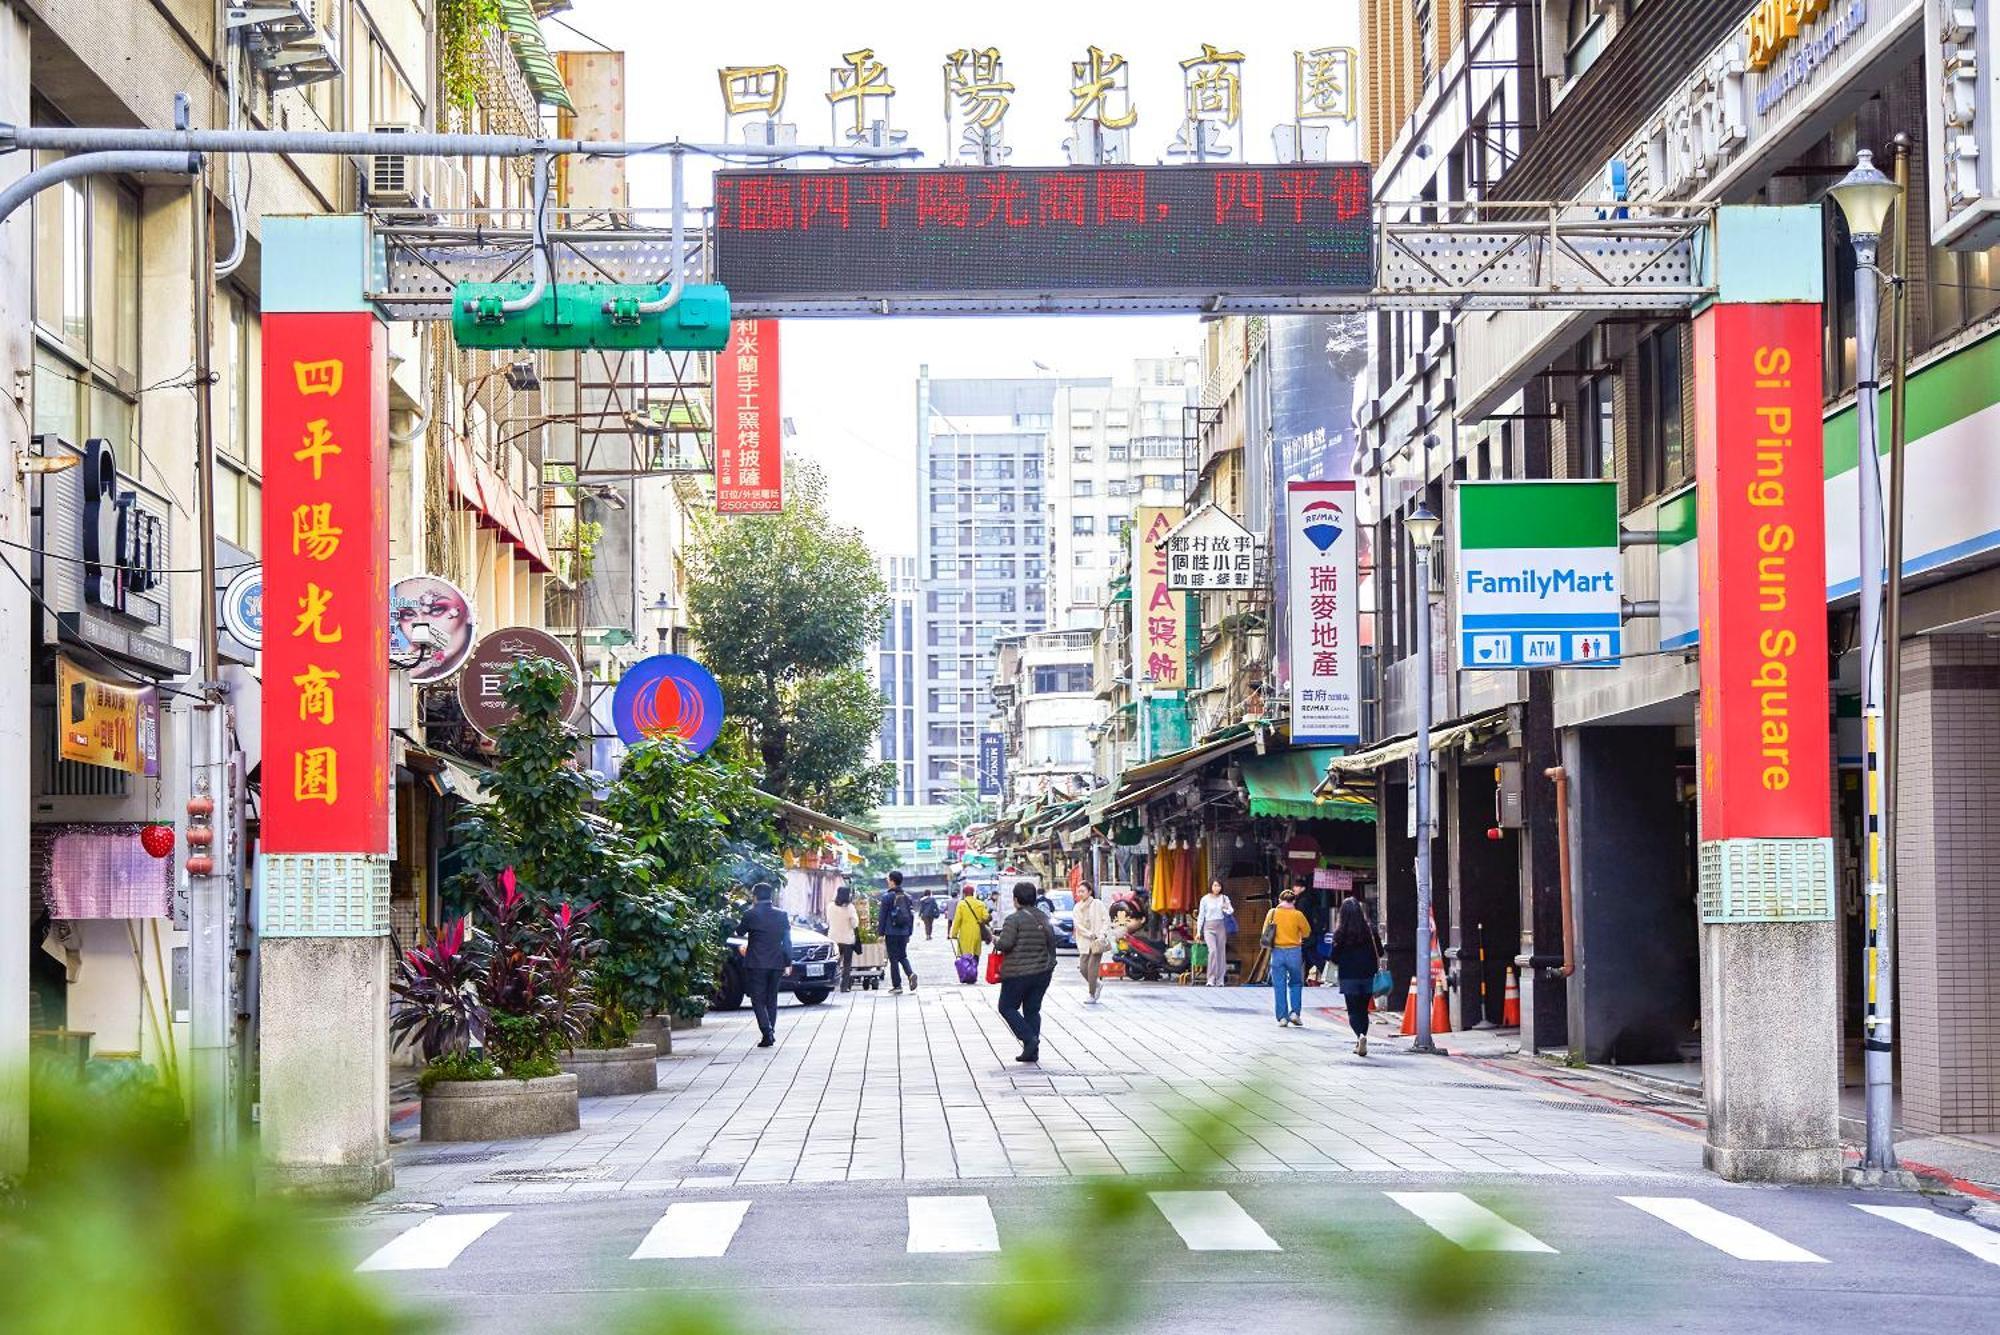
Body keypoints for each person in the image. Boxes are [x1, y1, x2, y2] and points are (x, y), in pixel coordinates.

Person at [994, 881, 1058, 1063]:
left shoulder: (1013, 919)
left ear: (1015, 900)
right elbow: (1052, 944)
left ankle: (1029, 1039)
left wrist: (994, 939)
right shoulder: (1044, 917)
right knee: (1032, 1010)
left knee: (1006, 1007)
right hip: (1043, 972)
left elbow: (1004, 944)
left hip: (1018, 973)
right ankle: (1032, 1051)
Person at [736, 883, 792, 1048]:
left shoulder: (750, 914)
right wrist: (788, 961)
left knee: (758, 1000)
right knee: (771, 999)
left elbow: (739, 932)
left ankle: (767, 1032)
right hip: (776, 963)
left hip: (756, 963)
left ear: (754, 896)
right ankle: (770, 1032)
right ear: (771, 896)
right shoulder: (782, 915)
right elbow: (787, 941)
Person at [1330, 893, 1383, 1056]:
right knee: (1363, 1010)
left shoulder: (1340, 934)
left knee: (1353, 1011)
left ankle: (1359, 1036)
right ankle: (1363, 1036)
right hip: (1368, 975)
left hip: (1348, 977)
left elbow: (1334, 957)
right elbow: (1379, 952)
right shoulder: (1371, 931)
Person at [1261, 886, 1313, 1027]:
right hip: (1294, 952)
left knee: (1279, 985)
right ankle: (1295, 1013)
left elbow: (1265, 931)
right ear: (1294, 901)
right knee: (1296, 983)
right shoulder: (1298, 915)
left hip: (1277, 952)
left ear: (1279, 900)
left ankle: (1282, 1017)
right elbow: (1307, 932)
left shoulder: (1272, 913)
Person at [878, 870, 919, 994]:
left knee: (893, 959)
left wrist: (880, 933)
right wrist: (909, 932)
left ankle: (897, 986)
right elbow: (911, 916)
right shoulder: (907, 897)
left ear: (892, 881)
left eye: (888, 879)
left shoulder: (887, 897)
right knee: (902, 955)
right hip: (904, 932)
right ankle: (910, 973)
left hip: (891, 932)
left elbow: (883, 916)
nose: (887, 881)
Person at [1072, 878, 1112, 1003]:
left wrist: (1102, 934)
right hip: (1084, 941)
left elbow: (1106, 919)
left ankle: (1091, 994)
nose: (1080, 894)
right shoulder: (1077, 907)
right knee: (1083, 968)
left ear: (1090, 892)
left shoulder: (1097, 904)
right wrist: (1089, 934)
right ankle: (1097, 984)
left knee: (1092, 967)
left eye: (1082, 891)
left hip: (1097, 941)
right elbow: (1078, 925)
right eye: (1079, 891)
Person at [949, 881, 991, 982]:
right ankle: (974, 974)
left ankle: (967, 975)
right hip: (977, 933)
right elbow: (986, 916)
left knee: (966, 956)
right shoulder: (980, 904)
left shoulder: (961, 904)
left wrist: (953, 934)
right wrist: (980, 921)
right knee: (976, 954)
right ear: (973, 893)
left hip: (965, 934)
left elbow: (957, 920)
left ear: (964, 894)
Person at [1195, 879, 1234, 988]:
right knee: (1212, 951)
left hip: (1221, 926)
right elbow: (1201, 916)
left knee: (1221, 952)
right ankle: (1211, 978)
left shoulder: (1224, 898)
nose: (1217, 888)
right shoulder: (1205, 899)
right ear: (1211, 886)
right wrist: (1198, 931)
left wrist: (1226, 908)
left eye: (1219, 886)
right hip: (1208, 927)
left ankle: (1220, 979)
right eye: (1215, 885)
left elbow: (1231, 911)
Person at [826, 884, 860, 993]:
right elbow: (855, 924)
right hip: (847, 940)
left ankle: (830, 984)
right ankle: (844, 987)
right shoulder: (850, 907)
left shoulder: (830, 906)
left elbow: (828, 921)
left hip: (833, 938)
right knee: (847, 964)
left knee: (835, 962)